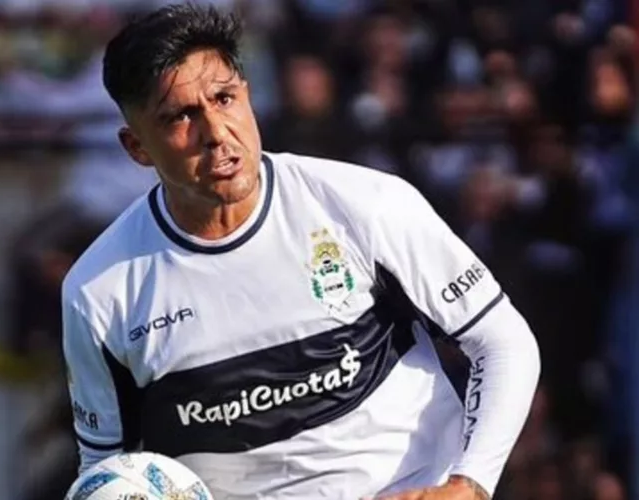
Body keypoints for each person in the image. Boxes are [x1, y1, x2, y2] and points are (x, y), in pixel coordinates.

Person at [61, 4, 541, 499]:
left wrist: (468, 483)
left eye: (223, 98)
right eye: (181, 116)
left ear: (247, 96)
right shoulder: (99, 291)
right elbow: (107, 467)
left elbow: (502, 340)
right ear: (136, 147)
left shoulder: (363, 204)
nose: (215, 132)